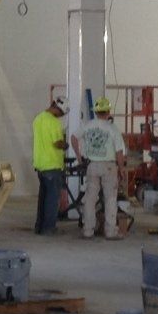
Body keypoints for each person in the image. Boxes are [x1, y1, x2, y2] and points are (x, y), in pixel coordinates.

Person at [71, 97, 126, 241]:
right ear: (108, 112)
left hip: (92, 165)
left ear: (95, 112)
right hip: (109, 166)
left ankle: (88, 230)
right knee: (110, 199)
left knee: (90, 199)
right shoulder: (112, 128)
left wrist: (79, 157)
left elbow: (74, 138)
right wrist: (121, 168)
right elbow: (119, 151)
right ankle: (110, 231)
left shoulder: (87, 125)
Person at [31, 97, 68, 234]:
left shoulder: (38, 118)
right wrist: (65, 145)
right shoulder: (54, 122)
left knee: (43, 198)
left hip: (40, 164)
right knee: (52, 199)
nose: (61, 116)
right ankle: (49, 228)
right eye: (62, 113)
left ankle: (39, 226)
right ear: (58, 109)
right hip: (52, 165)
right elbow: (57, 143)